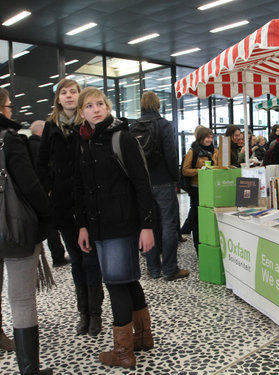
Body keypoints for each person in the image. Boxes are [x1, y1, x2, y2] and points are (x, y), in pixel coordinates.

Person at [75, 87, 155, 369]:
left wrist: (147, 226)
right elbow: (84, 189)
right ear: (81, 112)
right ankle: (143, 337)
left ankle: (122, 352)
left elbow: (142, 183)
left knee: (116, 284)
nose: (96, 109)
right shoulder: (85, 140)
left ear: (107, 107)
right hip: (98, 226)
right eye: (89, 106)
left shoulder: (121, 137)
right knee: (129, 280)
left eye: (100, 104)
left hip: (120, 224)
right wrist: (83, 226)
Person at [36, 79, 104, 336]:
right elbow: (41, 164)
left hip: (88, 202)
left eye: (72, 91)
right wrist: (49, 190)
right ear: (58, 99)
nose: (68, 96)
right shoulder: (51, 127)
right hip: (63, 204)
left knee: (91, 259)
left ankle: (96, 313)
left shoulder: (87, 125)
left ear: (79, 96)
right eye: (63, 92)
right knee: (76, 259)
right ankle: (83, 312)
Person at [0, 87, 52, 374]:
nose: (11, 111)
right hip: (15, 229)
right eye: (8, 106)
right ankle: (29, 369)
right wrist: (47, 216)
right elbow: (30, 185)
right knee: (20, 299)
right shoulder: (10, 140)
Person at [138, 91, 189, 281]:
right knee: (169, 225)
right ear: (158, 104)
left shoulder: (134, 126)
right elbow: (170, 154)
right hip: (163, 181)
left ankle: (153, 269)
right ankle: (170, 269)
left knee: (148, 225)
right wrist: (175, 178)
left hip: (143, 182)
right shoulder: (164, 125)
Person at [29, 120, 69, 268]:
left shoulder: (27, 146)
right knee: (53, 225)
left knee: (50, 225)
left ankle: (57, 255)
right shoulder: (43, 147)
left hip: (36, 192)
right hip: (49, 191)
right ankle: (58, 255)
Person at [182, 127, 218, 252]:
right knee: (197, 217)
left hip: (210, 188)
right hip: (196, 189)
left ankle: (207, 241)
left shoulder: (214, 151)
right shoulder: (193, 151)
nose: (210, 140)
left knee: (208, 216)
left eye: (211, 137)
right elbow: (185, 171)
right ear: (201, 138)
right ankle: (198, 245)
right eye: (207, 137)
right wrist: (200, 171)